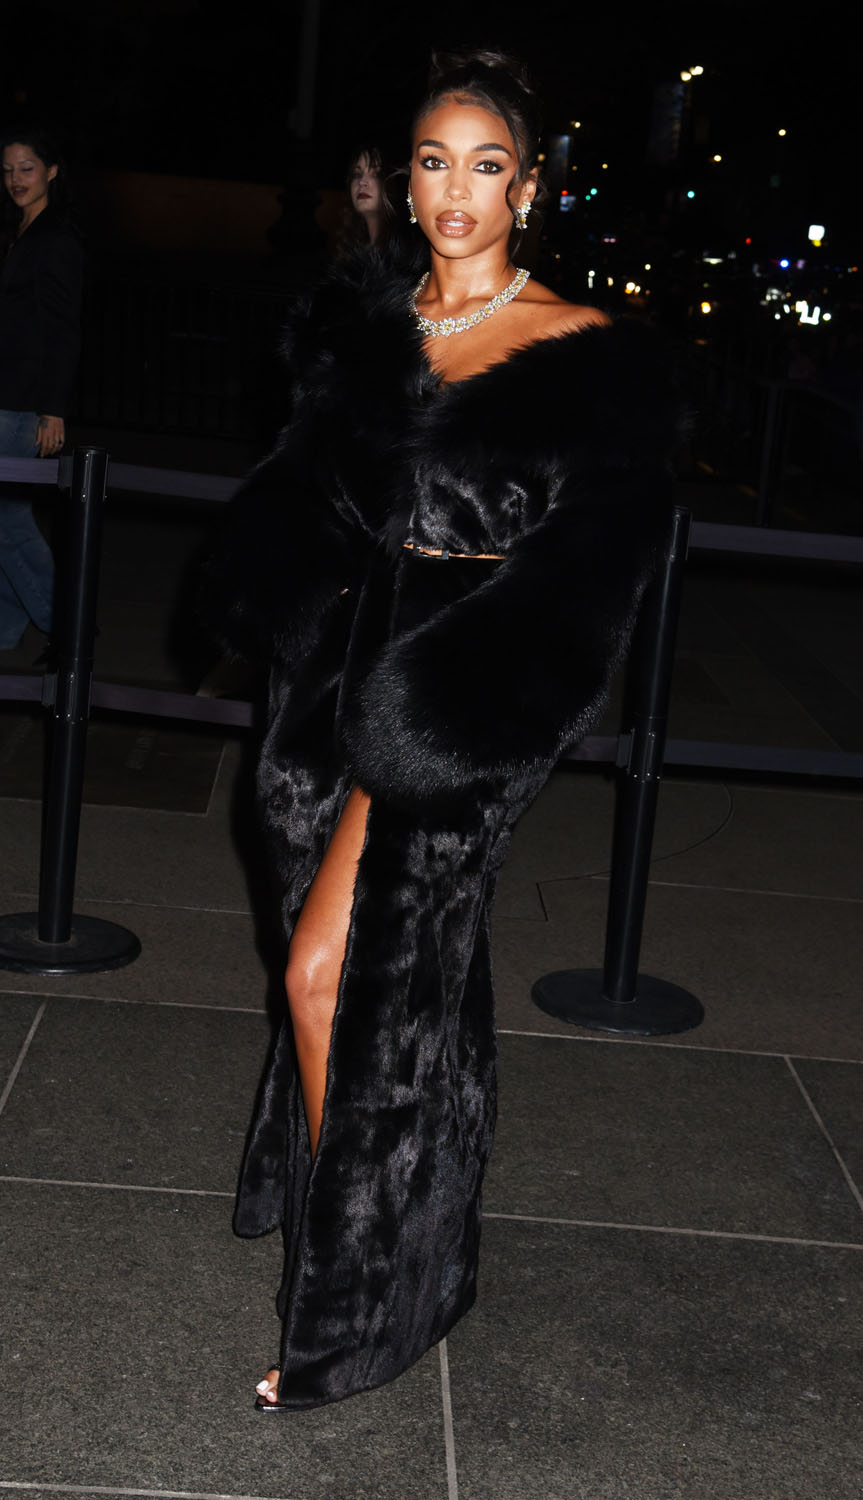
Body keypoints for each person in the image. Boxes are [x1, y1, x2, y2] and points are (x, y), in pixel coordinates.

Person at [204, 49, 679, 1411]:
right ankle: (408, 1217)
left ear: (527, 188)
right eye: (432, 162)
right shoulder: (366, 324)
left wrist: (453, 709)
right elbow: (309, 491)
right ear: (401, 182)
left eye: (486, 165)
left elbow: (592, 584)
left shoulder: (587, 353)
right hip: (333, 680)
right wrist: (260, 577)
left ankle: (355, 1293)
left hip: (464, 693)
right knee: (405, 985)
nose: (456, 190)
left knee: (328, 975)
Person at [0, 125, 83, 651]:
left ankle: (69, 626)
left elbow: (63, 329)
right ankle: (6, 629)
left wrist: (52, 410)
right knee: (6, 517)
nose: (16, 179)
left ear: (51, 171)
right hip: (8, 394)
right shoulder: (21, 232)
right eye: (8, 170)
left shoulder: (56, 239)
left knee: (6, 519)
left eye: (26, 168)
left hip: (23, 401)